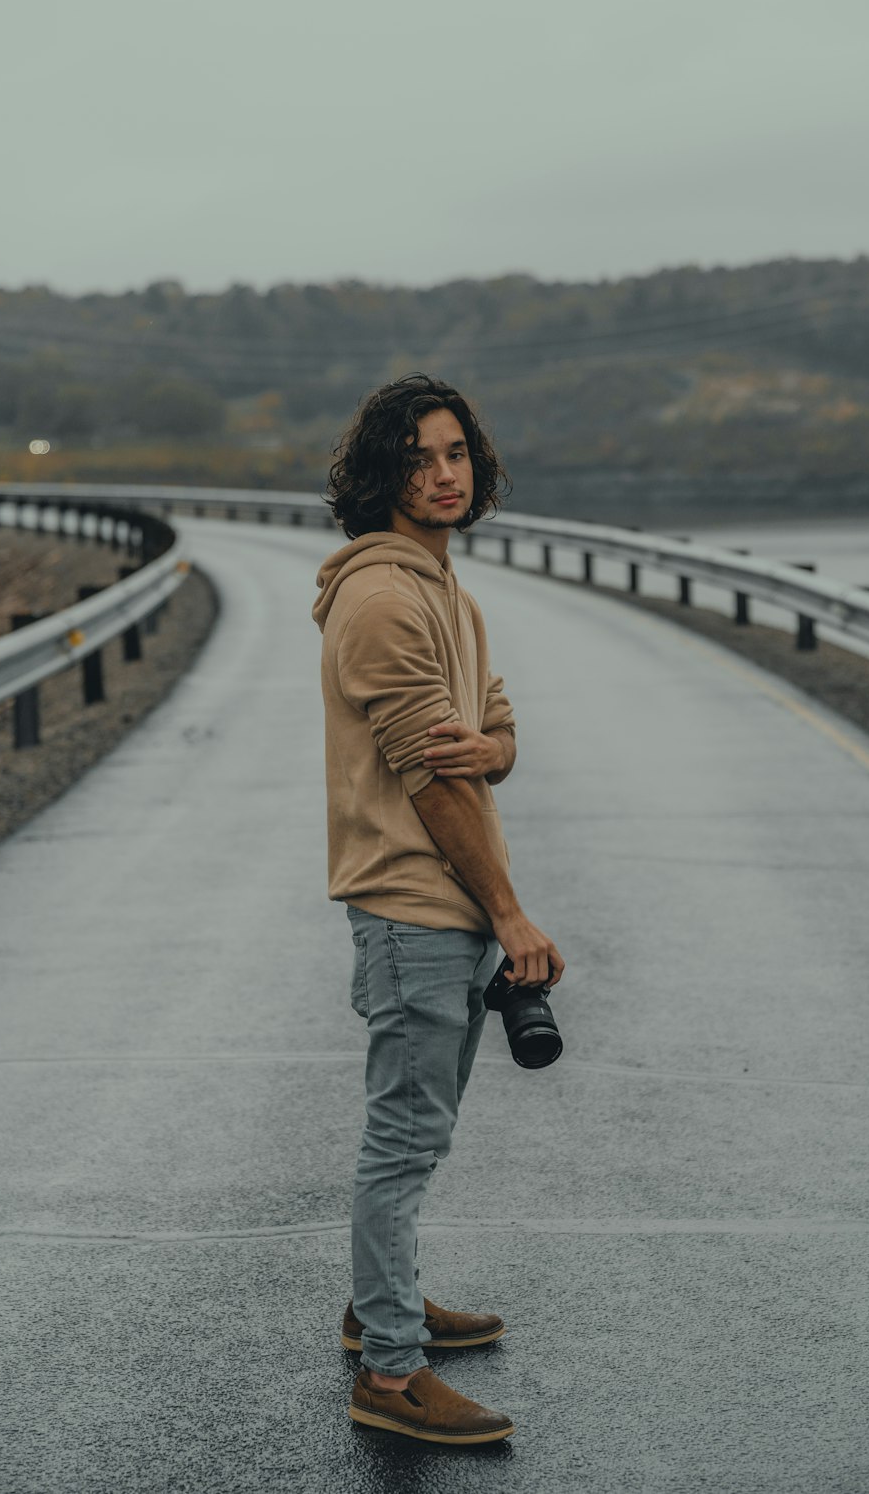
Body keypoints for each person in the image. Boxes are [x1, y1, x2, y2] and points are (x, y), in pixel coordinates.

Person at [312, 373, 565, 1445]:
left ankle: (386, 1310)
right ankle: (392, 1374)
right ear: (381, 473)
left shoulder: (446, 592)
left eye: (455, 452)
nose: (443, 473)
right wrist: (511, 916)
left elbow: (491, 735)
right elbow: (433, 776)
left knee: (422, 1131)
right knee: (404, 1138)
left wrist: (496, 748)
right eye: (418, 457)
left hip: (443, 909)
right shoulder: (381, 599)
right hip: (416, 908)